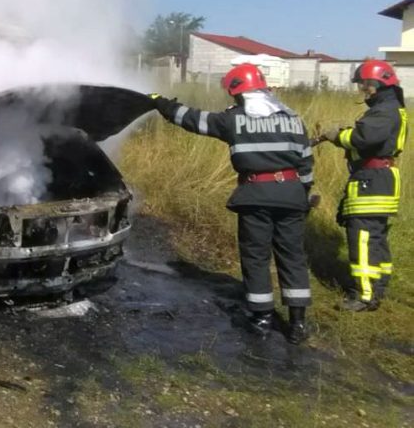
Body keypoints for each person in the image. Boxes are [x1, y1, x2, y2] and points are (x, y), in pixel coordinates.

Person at [150, 63, 314, 344]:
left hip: (256, 196)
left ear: (239, 93)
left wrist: (162, 105)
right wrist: (304, 193)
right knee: (293, 256)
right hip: (292, 195)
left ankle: (261, 319)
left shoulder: (234, 119)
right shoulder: (293, 119)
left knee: (256, 257)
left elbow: (194, 120)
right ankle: (298, 324)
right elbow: (306, 163)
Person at [318, 60, 407, 311]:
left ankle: (364, 296)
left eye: (364, 85)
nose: (362, 90)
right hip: (380, 178)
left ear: (377, 84)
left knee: (364, 238)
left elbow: (363, 137)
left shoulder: (384, 110)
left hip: (372, 181)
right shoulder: (389, 107)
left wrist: (338, 135)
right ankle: (377, 287)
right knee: (376, 238)